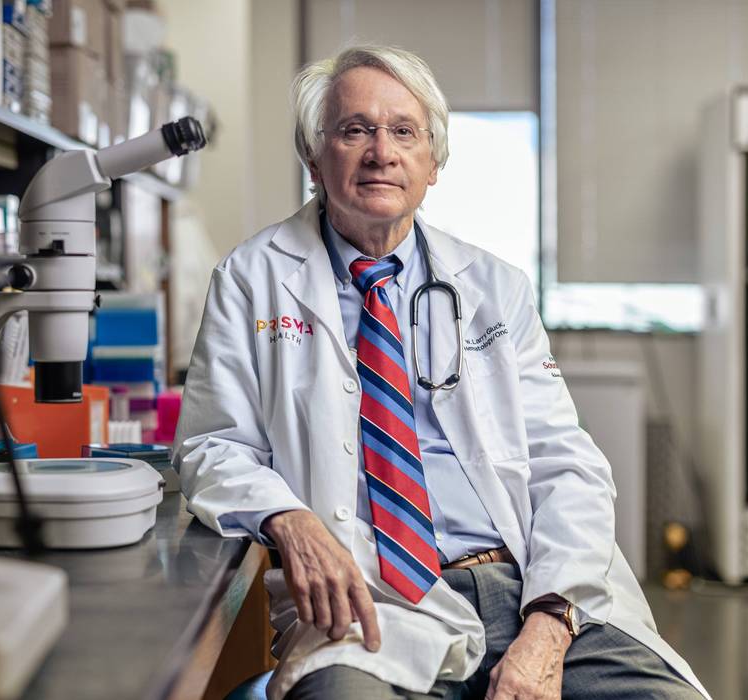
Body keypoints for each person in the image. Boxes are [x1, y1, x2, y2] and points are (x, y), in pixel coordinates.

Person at [174, 44, 709, 700]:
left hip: (529, 590)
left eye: (404, 132)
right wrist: (288, 518)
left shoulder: (493, 287)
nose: (380, 151)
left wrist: (548, 625)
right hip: (373, 602)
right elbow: (211, 445)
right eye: (354, 130)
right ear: (313, 159)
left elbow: (564, 468)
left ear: (433, 164)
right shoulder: (252, 279)